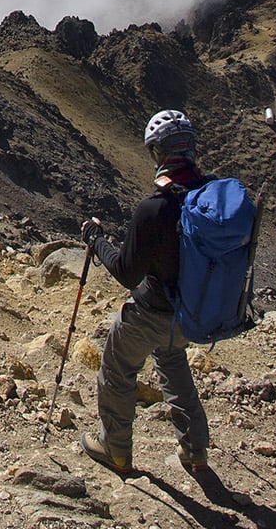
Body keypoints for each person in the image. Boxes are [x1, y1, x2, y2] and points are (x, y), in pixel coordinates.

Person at [76, 109, 211, 476]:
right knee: (172, 360)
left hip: (153, 313)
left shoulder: (155, 209)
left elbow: (124, 272)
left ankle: (115, 450)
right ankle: (196, 450)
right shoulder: (212, 198)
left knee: (117, 369)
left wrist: (96, 239)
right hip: (197, 313)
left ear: (159, 154)